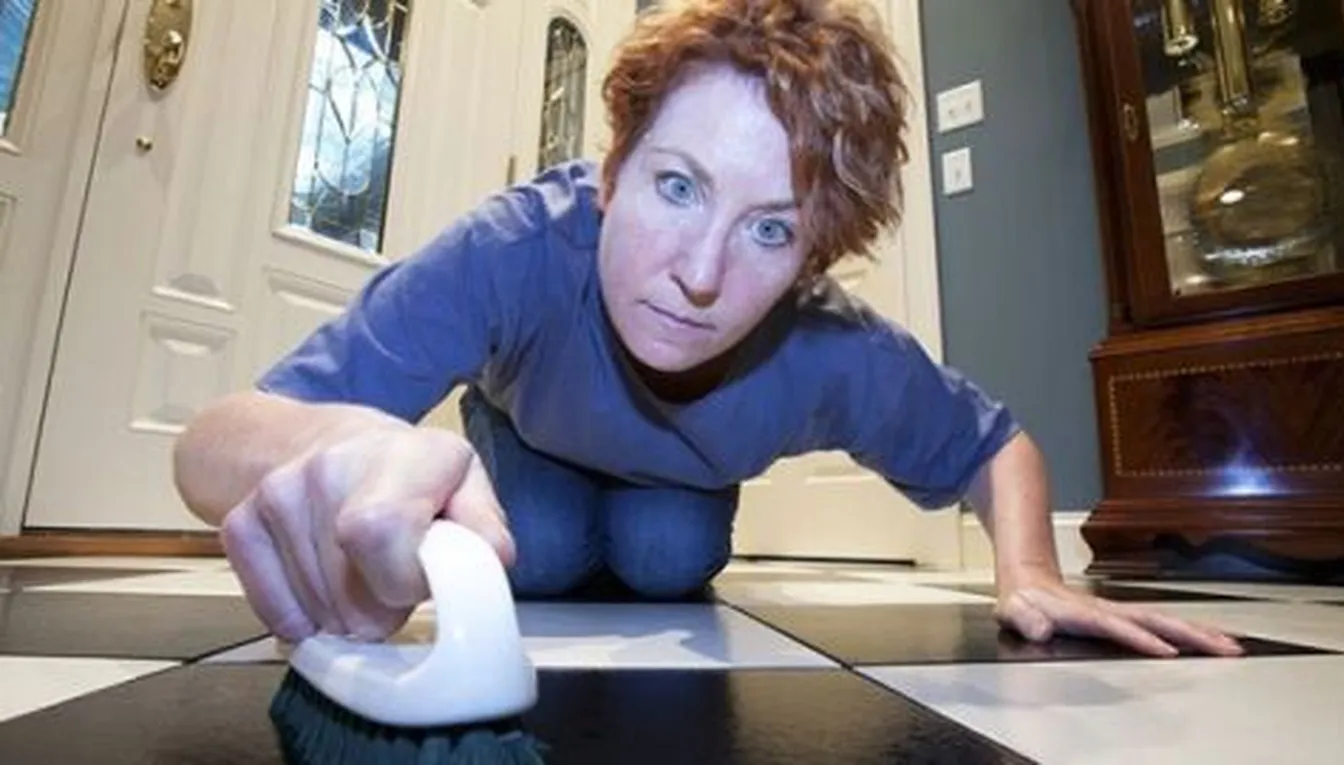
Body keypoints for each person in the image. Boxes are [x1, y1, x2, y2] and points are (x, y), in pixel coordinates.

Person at [173, 0, 1243, 659]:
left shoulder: (829, 349)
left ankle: (646, 530)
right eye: (677, 187)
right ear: (611, 171)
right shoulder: (516, 247)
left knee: (664, 552)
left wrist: (1032, 571)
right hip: (526, 446)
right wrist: (340, 440)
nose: (697, 275)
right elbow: (213, 439)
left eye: (769, 229)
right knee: (533, 543)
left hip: (674, 503)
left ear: (811, 262)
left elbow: (994, 443)